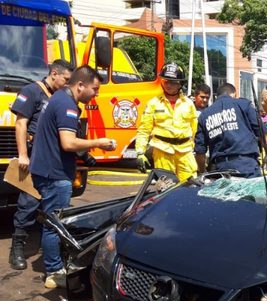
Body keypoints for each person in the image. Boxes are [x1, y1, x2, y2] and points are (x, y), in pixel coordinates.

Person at [29, 65, 116, 288]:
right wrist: (99, 142)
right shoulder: (67, 105)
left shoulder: (59, 98)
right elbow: (68, 143)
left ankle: (54, 263)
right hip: (54, 174)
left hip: (47, 170)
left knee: (53, 221)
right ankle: (55, 271)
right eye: (95, 89)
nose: (97, 94)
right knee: (55, 224)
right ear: (80, 85)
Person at [8, 60, 76, 271]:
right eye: (65, 79)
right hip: (33, 157)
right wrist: (22, 155)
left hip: (53, 159)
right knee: (28, 203)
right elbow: (21, 124)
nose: (67, 84)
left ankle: (53, 249)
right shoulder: (32, 91)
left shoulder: (62, 98)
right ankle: (17, 247)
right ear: (54, 73)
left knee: (55, 208)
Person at [136, 63, 198, 182]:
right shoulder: (153, 103)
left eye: (173, 82)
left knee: (191, 185)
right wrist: (140, 152)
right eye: (166, 81)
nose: (168, 85)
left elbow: (194, 129)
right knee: (166, 187)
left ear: (180, 83)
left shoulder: (188, 104)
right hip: (162, 151)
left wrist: (192, 146)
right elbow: (144, 129)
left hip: (185, 152)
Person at [195, 83, 267, 178]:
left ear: (216, 96)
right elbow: (263, 133)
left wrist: (203, 172)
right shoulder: (244, 105)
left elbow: (200, 151)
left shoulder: (204, 115)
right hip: (247, 166)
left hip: (220, 170)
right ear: (234, 94)